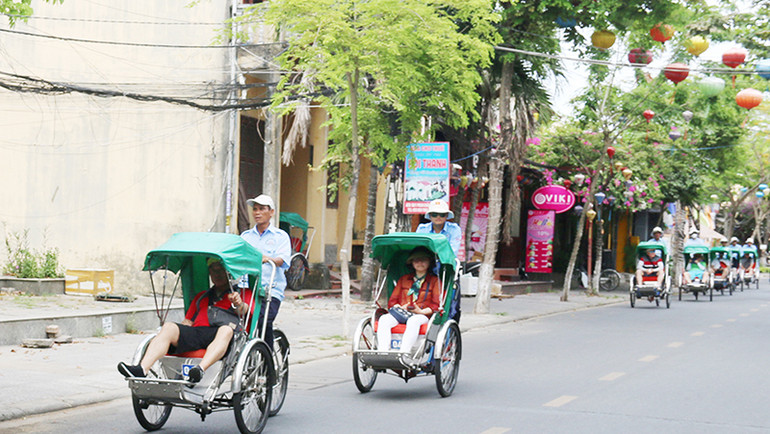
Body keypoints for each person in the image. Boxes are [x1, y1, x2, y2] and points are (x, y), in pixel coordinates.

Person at [118, 258, 252, 383]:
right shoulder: (201, 297)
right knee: (169, 327)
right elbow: (188, 322)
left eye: (220, 270)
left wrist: (238, 303)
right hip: (198, 333)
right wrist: (179, 329)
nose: (217, 274)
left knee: (226, 330)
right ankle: (142, 369)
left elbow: (244, 310)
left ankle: (199, 370)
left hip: (224, 337)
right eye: (213, 270)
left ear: (228, 272)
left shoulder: (242, 294)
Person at [241, 194, 292, 349]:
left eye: (262, 209)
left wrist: (266, 258)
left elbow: (282, 260)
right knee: (238, 321)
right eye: (255, 209)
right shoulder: (245, 236)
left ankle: (267, 359)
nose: (257, 212)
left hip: (270, 289)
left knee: (264, 321)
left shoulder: (280, 236)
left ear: (271, 212)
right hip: (247, 288)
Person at [376, 247, 441, 355]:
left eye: (423, 260)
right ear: (412, 263)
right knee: (384, 320)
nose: (420, 263)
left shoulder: (434, 281)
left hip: (422, 315)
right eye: (416, 260)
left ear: (429, 262)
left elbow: (436, 304)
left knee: (414, 321)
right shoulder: (404, 279)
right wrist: (401, 307)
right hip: (402, 313)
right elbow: (392, 301)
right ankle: (383, 353)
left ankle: (404, 353)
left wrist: (421, 311)